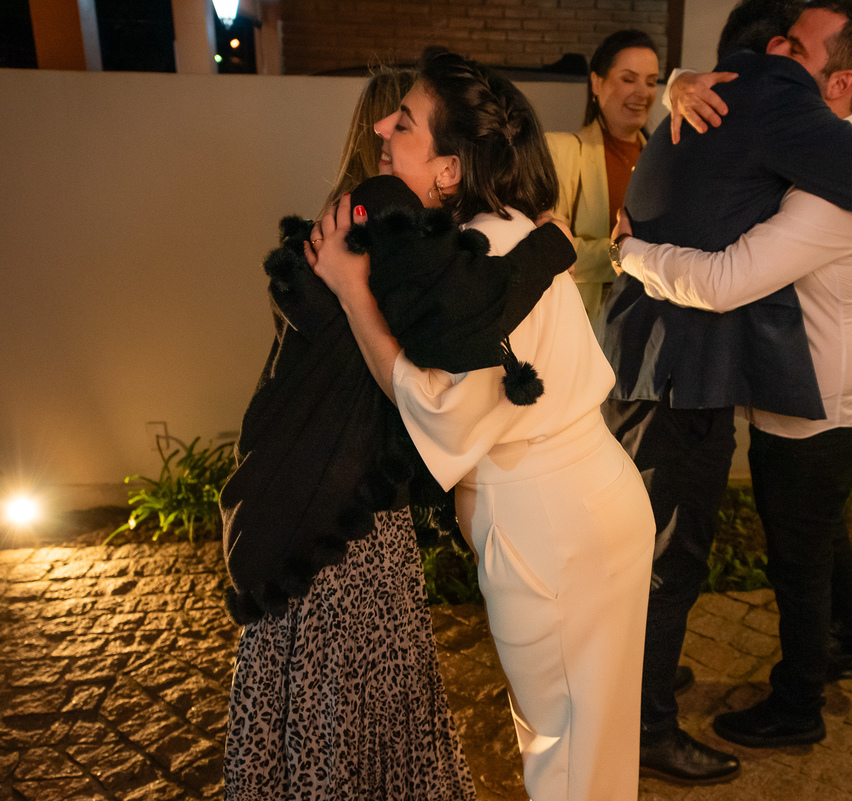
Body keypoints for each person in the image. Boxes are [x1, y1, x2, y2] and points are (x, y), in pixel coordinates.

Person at [308, 48, 656, 801]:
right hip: (579, 501)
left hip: (551, 521)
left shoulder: (484, 252)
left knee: (566, 751)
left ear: (449, 169)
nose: (381, 128)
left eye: (404, 122)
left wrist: (352, 292)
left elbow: (438, 411)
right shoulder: (489, 234)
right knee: (587, 741)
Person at [596, 0, 852, 785]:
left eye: (794, 50)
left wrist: (632, 252)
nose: (777, 52)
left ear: (838, 83)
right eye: (773, 43)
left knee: (798, 556)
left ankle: (799, 699)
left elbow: (728, 279)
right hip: (785, 398)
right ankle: (847, 647)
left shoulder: (835, 184)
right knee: (808, 539)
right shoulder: (788, 142)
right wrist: (686, 80)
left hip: (820, 406)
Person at [223, 68, 479, 801]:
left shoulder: (338, 231)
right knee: (355, 718)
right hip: (350, 521)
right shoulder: (385, 231)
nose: (386, 130)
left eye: (402, 122)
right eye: (396, 120)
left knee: (316, 711)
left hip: (305, 506)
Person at [546, 29, 660, 319]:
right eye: (628, 79)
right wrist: (625, 253)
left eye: (651, 82)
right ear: (597, 83)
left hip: (651, 320)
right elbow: (549, 248)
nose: (643, 93)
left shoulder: (661, 160)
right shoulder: (564, 151)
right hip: (589, 321)